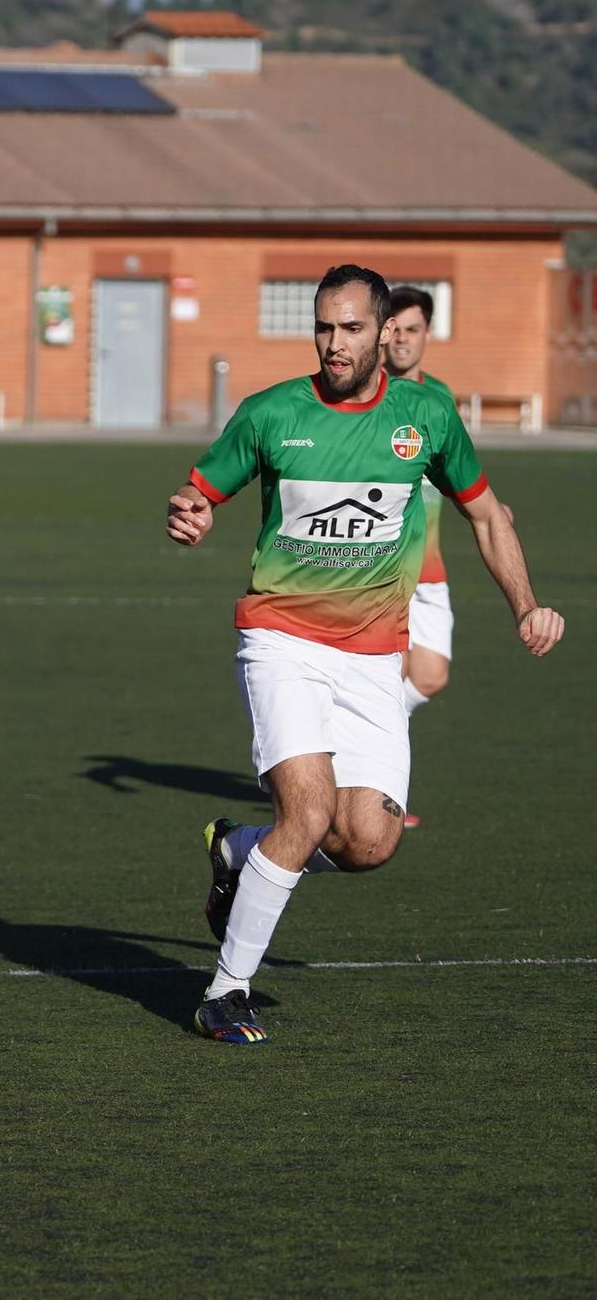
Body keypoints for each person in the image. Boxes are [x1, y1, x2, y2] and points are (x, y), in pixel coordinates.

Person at [166, 265, 564, 1045]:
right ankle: (225, 990)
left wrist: (527, 604)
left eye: (350, 328)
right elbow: (195, 494)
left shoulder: (427, 418)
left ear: (385, 332)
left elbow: (487, 516)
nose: (333, 342)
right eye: (322, 326)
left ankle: (239, 853)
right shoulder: (272, 413)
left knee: (368, 841)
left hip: (376, 655)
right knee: (308, 813)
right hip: (281, 639)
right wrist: (187, 516)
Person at [382, 286, 458, 828]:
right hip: (377, 571)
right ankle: (383, 797)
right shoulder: (367, 394)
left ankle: (349, 744)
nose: (403, 339)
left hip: (429, 569)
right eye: (396, 329)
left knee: (427, 677)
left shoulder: (440, 399)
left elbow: (457, 469)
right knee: (384, 679)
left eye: (413, 329)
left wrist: (489, 507)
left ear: (426, 334)